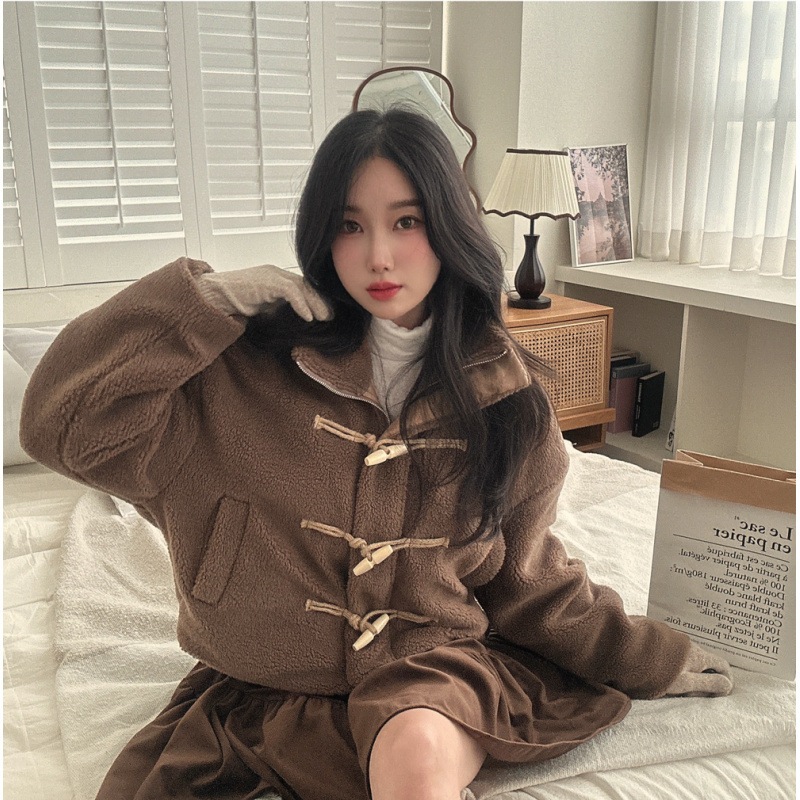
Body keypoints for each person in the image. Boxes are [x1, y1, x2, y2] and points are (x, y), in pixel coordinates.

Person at [20, 108, 733, 800]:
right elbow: (61, 426)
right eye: (350, 226)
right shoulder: (235, 371)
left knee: (416, 749)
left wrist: (644, 656)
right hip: (257, 688)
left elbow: (528, 580)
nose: (379, 257)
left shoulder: (507, 400)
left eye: (407, 222)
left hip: (430, 674)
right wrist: (201, 300)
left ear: (447, 227)